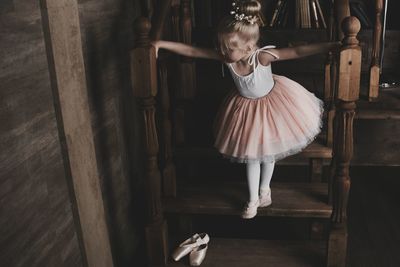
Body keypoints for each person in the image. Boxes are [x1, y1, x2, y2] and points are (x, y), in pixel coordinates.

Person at [151, 0, 341, 219]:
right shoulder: (227, 57)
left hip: (273, 105)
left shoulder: (262, 57)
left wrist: (330, 45)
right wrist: (161, 44)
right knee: (252, 157)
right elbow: (193, 51)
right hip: (245, 108)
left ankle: (264, 190)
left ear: (249, 47)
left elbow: (297, 51)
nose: (222, 51)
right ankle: (252, 200)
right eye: (221, 46)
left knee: (269, 155)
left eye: (228, 48)